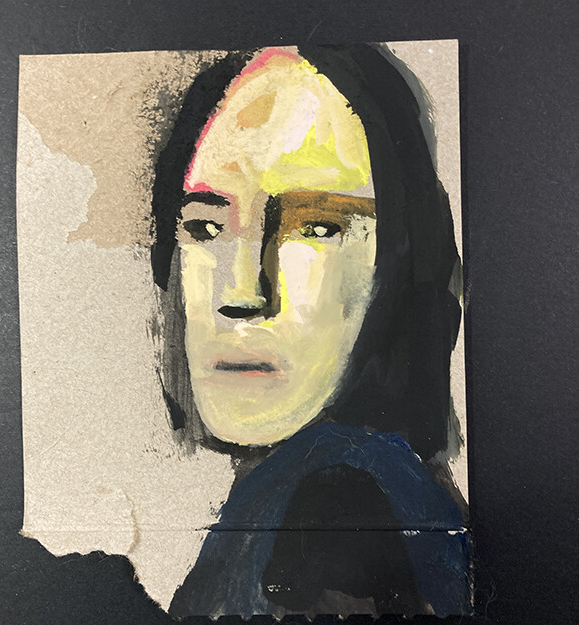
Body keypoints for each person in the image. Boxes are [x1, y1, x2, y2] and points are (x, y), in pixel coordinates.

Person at [151, 45, 471, 618]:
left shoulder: (343, 505)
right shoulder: (277, 504)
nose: (243, 293)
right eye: (206, 228)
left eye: (317, 227)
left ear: (402, 258)